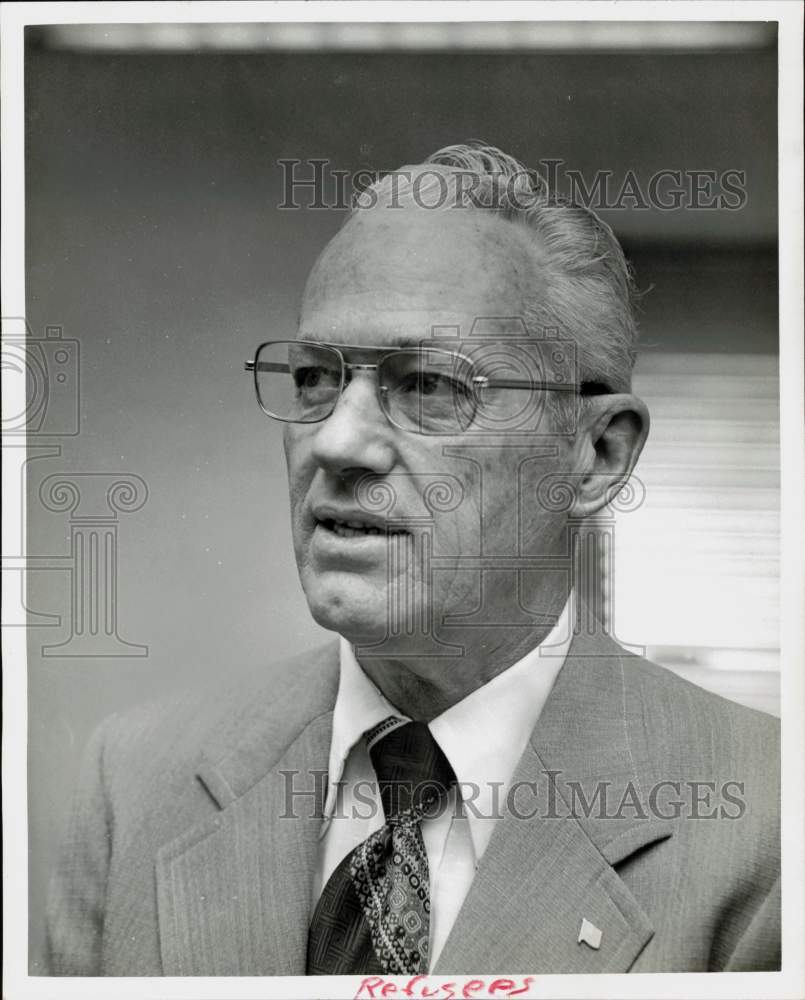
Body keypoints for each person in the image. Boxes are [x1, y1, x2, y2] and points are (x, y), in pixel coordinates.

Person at [44, 143, 780, 976]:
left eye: (429, 384)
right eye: (318, 376)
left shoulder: (766, 825)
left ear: (596, 454)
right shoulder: (136, 779)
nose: (335, 440)